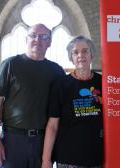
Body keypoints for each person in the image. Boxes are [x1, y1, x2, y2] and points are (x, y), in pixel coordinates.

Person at [0, 23, 65, 168]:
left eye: (43, 37)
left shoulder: (56, 71)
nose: (38, 40)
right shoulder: (10, 64)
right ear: (26, 39)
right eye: (33, 35)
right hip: (13, 140)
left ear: (49, 42)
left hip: (43, 142)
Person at [42, 36, 103, 168]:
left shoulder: (103, 83)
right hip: (68, 158)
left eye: (85, 51)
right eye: (75, 52)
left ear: (92, 54)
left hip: (96, 157)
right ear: (71, 58)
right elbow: (52, 125)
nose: (80, 55)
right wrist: (46, 160)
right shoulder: (60, 85)